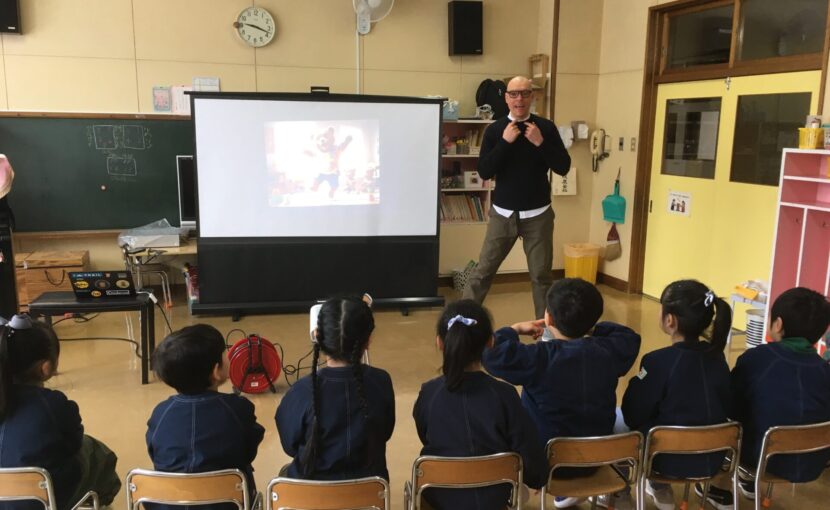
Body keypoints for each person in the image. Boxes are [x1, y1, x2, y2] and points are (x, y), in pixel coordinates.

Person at [483, 278, 640, 509]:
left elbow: (491, 352)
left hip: (545, 461)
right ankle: (613, 492)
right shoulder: (608, 352)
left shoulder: (538, 357)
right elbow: (629, 336)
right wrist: (590, 325)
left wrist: (514, 329)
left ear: (548, 318)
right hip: (597, 457)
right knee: (621, 417)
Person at [413, 300, 548, 510]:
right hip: (494, 498)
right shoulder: (504, 394)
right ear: (491, 342)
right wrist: (536, 477)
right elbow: (529, 453)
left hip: (441, 496)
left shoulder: (429, 393)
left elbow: (426, 435)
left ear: (440, 342)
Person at [463, 76, 571, 320]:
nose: (519, 99)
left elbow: (563, 166)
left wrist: (540, 142)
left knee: (541, 277)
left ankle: (546, 331)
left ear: (532, 96)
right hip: (503, 215)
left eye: (524, 93)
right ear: (506, 98)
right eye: (513, 94)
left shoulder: (545, 128)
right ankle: (461, 324)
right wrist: (505, 142)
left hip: (538, 215)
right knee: (482, 272)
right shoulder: (495, 130)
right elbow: (484, 171)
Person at [621, 280, 733, 510]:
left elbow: (632, 413)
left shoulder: (657, 361)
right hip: (712, 460)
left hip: (664, 460)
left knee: (619, 424)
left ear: (670, 320)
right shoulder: (718, 359)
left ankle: (651, 487)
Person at [0, 314, 120, 510]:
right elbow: (73, 442)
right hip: (44, 499)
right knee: (96, 451)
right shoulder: (53, 404)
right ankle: (102, 501)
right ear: (46, 368)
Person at [276, 295, 395, 480]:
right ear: (368, 341)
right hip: (370, 489)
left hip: (310, 492)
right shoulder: (381, 382)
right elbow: (384, 433)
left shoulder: (301, 391)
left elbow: (289, 446)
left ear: (317, 336)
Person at [147, 324, 265, 510]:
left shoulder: (160, 413)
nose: (228, 355)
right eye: (224, 353)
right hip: (227, 504)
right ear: (216, 371)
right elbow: (248, 452)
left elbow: (156, 455)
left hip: (171, 504)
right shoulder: (238, 408)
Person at [731, 287, 830, 500]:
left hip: (761, 459)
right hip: (813, 463)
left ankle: (725, 488)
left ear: (778, 324)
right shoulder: (825, 370)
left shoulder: (757, 359)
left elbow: (731, 405)